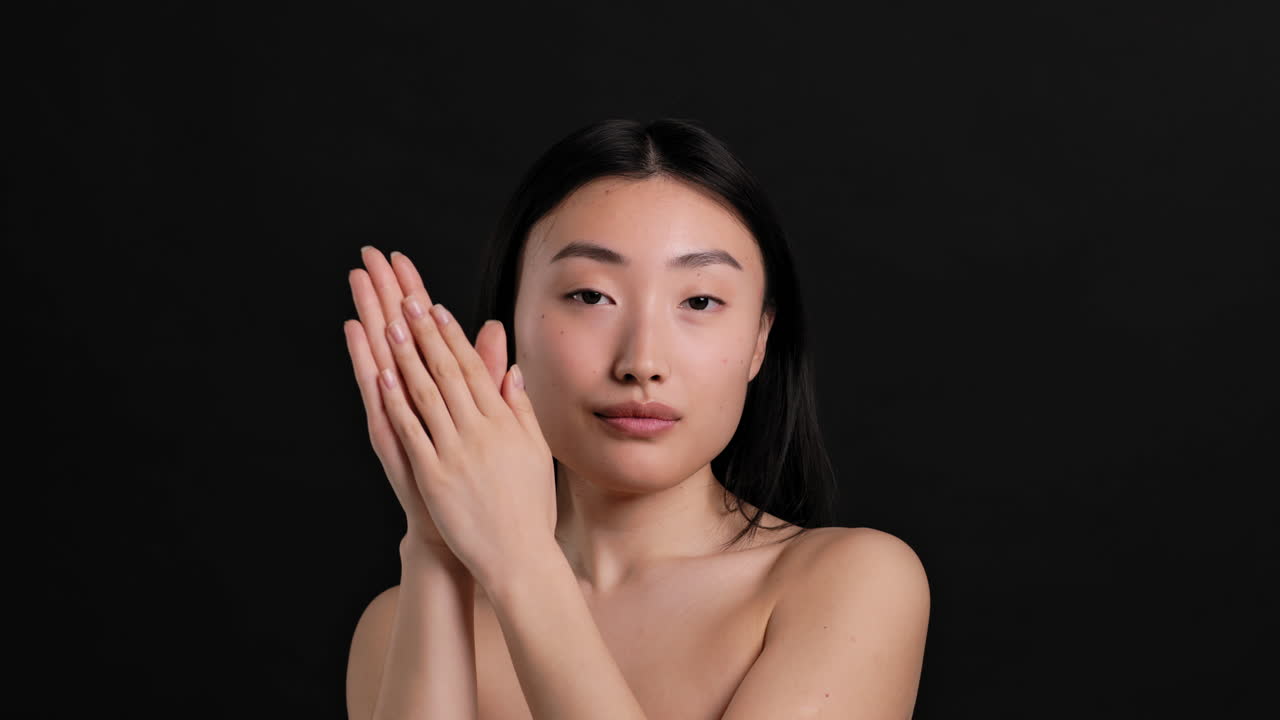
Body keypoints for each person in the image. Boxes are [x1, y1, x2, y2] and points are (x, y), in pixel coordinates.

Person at [342, 118, 930, 719]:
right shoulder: (396, 624)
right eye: (591, 296)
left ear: (759, 340)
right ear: (511, 322)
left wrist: (521, 562)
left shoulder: (852, 583)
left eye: (699, 301)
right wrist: (436, 548)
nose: (642, 362)